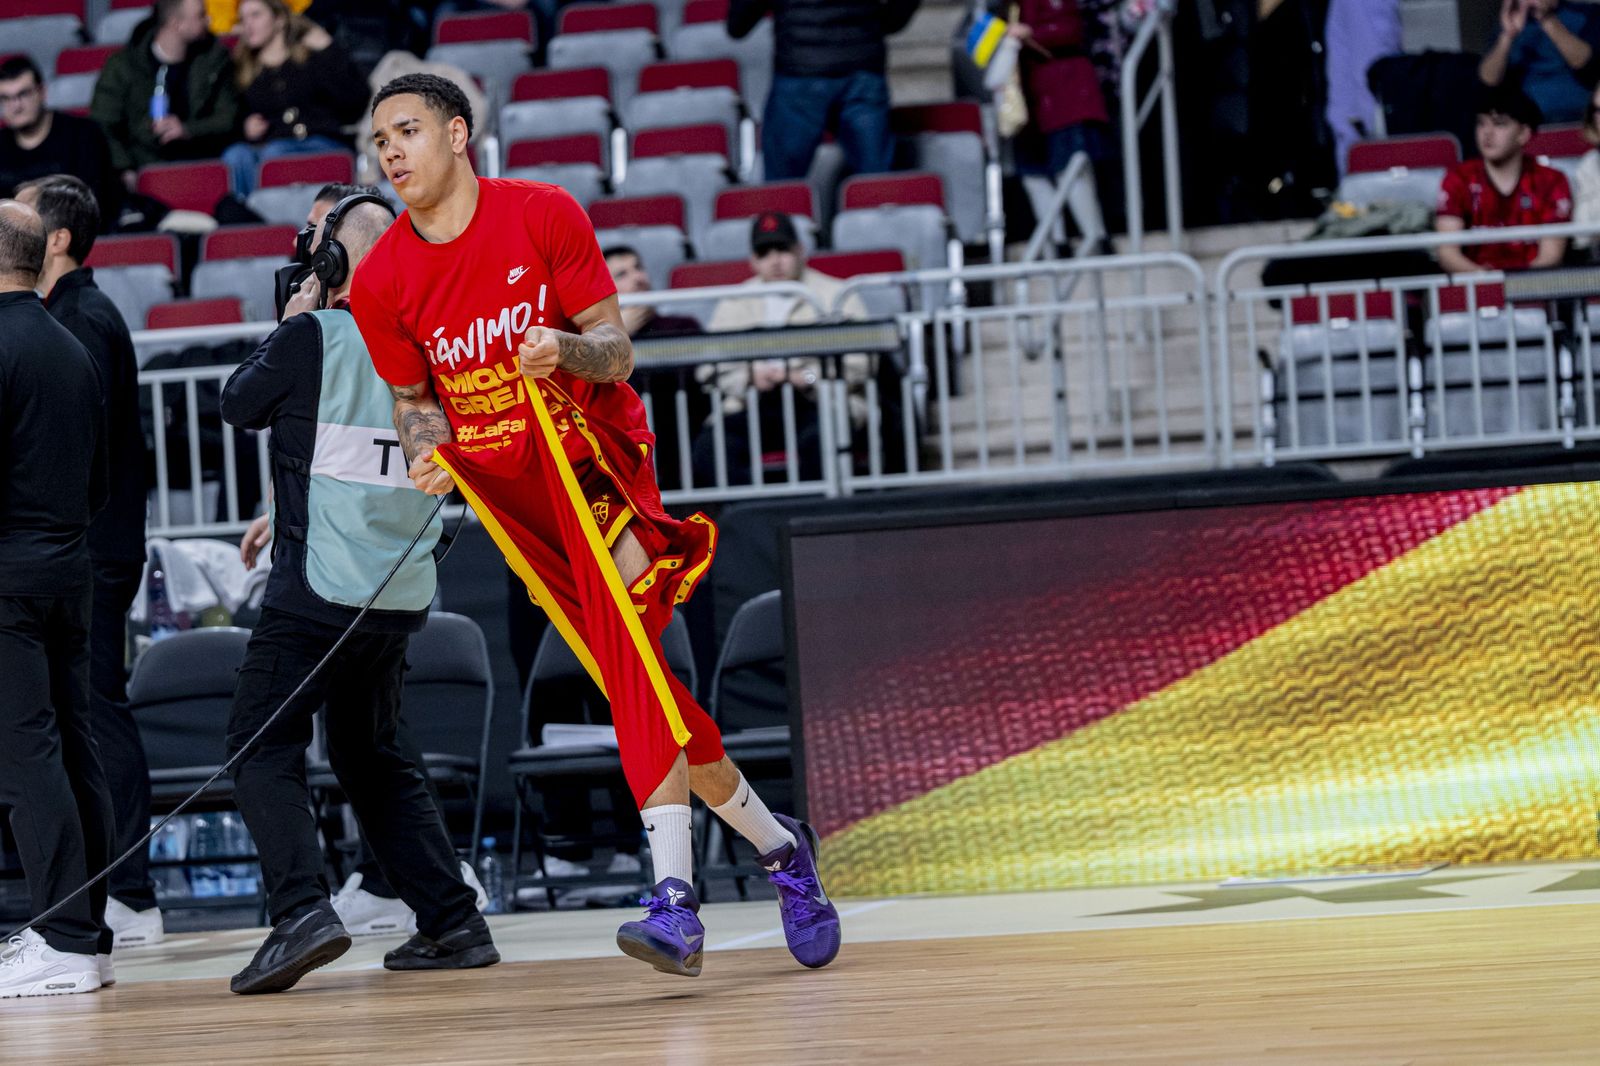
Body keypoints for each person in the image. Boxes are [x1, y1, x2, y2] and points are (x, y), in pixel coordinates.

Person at [352, 73, 841, 977]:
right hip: (511, 499)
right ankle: (782, 851)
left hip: (591, 469)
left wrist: (560, 349)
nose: (389, 152)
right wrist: (427, 451)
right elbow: (415, 398)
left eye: (407, 131)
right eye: (379, 138)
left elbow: (617, 349)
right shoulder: (381, 279)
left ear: (458, 134)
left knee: (626, 653)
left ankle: (675, 902)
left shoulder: (542, 213)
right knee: (644, 688)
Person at [220, 193, 499, 994]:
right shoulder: (431, 350)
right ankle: (452, 921)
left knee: (257, 743)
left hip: (317, 591)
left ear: (334, 265)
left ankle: (301, 912)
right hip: (397, 592)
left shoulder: (316, 334)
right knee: (371, 757)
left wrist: (294, 318)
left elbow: (238, 402)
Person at [14, 175, 158, 950]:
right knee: (82, 725)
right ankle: (104, 902)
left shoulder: (82, 320)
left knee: (89, 720)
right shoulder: (68, 322)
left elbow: (86, 460)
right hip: (79, 551)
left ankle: (120, 893)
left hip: (79, 554)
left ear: (56, 238)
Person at [0, 199, 117, 999]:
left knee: (25, 754)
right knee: (77, 746)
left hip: (7, 579)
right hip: (71, 571)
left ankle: (64, 936)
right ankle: (88, 933)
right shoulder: (72, 346)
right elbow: (100, 481)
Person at [698, 211, 869, 486]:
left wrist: (810, 378)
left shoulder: (837, 294)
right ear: (753, 261)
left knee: (821, 440)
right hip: (752, 403)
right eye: (765, 253)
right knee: (711, 448)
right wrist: (749, 378)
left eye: (783, 250)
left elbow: (862, 360)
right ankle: (745, 522)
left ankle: (813, 523)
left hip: (820, 402)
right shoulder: (735, 300)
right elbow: (709, 363)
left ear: (801, 251)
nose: (775, 260)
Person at [729, 0, 921, 181]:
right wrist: (879, 25)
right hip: (862, 66)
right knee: (876, 189)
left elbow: (738, 25)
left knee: (783, 191)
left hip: (800, 71)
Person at [91, 0, 242, 194]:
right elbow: (103, 124)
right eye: (200, 15)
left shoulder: (214, 58)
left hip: (202, 160)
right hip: (143, 165)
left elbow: (229, 116)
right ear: (176, 23)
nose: (209, 19)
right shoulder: (124, 66)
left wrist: (187, 129)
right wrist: (124, 167)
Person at [222, 0, 367, 198]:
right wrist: (245, 126)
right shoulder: (242, 70)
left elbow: (354, 100)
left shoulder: (309, 57)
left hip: (322, 141)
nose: (248, 25)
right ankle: (251, 218)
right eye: (242, 19)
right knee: (247, 155)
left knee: (276, 155)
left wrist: (328, 49)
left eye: (255, 15)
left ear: (279, 19)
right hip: (273, 148)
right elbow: (230, 115)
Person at [1435, 85, 1572, 274]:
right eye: (1481, 123)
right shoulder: (1458, 178)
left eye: (1499, 123)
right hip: (1474, 290)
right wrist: (1488, 285)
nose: (1487, 132)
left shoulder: (1551, 181)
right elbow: (1448, 253)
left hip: (1534, 290)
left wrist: (1517, 288)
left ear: (1523, 133)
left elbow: (1550, 256)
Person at [0, 58, 121, 229]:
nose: (16, 106)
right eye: (6, 98)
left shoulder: (83, 134)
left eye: (23, 94)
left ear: (42, 92)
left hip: (77, 238)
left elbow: (97, 202)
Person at [1479, 0, 1600, 126]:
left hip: (1576, 121)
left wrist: (1546, 19)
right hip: (1525, 125)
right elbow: (1488, 81)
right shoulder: (1510, 21)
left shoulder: (1587, 14)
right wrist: (1507, 35)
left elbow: (1589, 67)